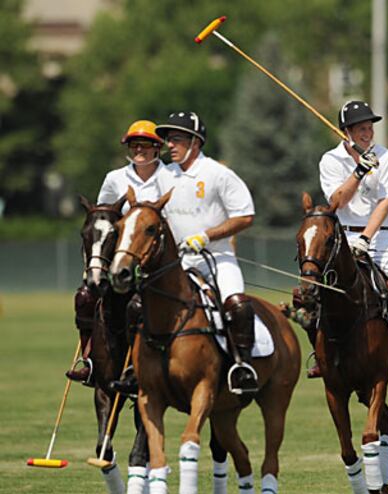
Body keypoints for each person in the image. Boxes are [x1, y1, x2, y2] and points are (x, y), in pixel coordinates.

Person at [112, 110, 259, 395]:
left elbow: (245, 216)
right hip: (175, 263)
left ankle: (243, 366)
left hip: (217, 258)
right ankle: (135, 369)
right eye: (168, 140)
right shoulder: (163, 175)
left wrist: (206, 236)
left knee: (237, 304)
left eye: (176, 139)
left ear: (195, 142)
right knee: (136, 307)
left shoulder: (218, 174)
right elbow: (146, 212)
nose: (169, 145)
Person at [304, 99, 388, 380]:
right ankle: (322, 355)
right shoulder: (330, 160)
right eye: (360, 128)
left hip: (382, 238)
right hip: (342, 238)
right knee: (308, 296)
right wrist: (358, 173)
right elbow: (336, 202)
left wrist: (366, 238)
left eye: (369, 127)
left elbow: (386, 202)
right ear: (346, 131)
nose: (367, 133)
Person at [66, 120, 166, 385]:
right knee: (86, 297)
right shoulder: (115, 178)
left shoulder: (172, 178)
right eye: (134, 145)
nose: (139, 150)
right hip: (120, 258)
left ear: (158, 148)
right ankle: (88, 360)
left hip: (156, 259)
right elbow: (102, 219)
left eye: (145, 145)